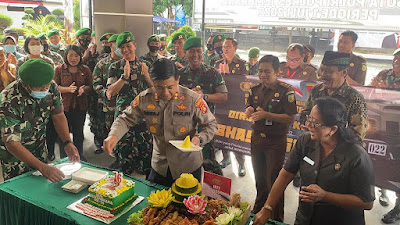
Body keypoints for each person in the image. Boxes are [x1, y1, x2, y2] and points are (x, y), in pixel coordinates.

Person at [253, 97, 375, 225]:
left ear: (332, 129)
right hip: (305, 218)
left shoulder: (357, 156)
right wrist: (268, 208)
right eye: (309, 119)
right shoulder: (305, 142)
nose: (308, 126)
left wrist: (325, 196)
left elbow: (367, 202)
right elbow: (285, 175)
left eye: (315, 123)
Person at [103, 58, 217, 187]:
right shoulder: (145, 98)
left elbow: (211, 124)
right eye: (159, 87)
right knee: (156, 203)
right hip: (160, 165)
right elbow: (125, 119)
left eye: (170, 87)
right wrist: (113, 135)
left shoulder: (192, 100)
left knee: (186, 205)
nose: (165, 93)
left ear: (177, 80)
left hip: (188, 166)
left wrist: (199, 138)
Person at [0, 59, 80, 182]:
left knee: (42, 184)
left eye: (46, 87)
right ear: (25, 85)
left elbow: (58, 115)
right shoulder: (9, 100)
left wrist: (67, 142)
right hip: (15, 158)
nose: (44, 90)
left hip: (39, 147)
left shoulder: (51, 86)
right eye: (40, 88)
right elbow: (12, 143)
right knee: (21, 190)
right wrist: (43, 168)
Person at [246, 55, 297, 220]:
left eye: (267, 71)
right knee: (260, 180)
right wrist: (248, 109)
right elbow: (250, 105)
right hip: (257, 140)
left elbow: (290, 118)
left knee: (274, 182)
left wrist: (267, 114)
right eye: (260, 71)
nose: (263, 75)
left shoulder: (286, 91)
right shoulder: (254, 90)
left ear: (277, 71)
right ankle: (258, 212)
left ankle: (276, 218)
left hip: (275, 142)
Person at [178, 36, 228, 176]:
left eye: (198, 51)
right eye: (191, 51)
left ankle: (216, 196)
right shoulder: (179, 75)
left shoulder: (212, 73)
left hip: (205, 128)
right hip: (184, 128)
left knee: (210, 165)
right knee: (186, 165)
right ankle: (188, 195)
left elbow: (223, 96)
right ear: (185, 52)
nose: (195, 55)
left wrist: (204, 97)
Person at [106, 31, 153, 175]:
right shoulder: (115, 67)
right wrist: (124, 77)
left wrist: (146, 75)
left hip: (144, 115)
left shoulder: (147, 65)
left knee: (146, 154)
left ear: (135, 45)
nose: (126, 50)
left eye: (128, 46)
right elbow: (111, 92)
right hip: (124, 115)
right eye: (122, 47)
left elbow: (156, 90)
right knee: (124, 155)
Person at [301, 51, 368, 140]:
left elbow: (358, 134)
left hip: (340, 150)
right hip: (314, 145)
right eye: (321, 70)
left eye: (329, 71)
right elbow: (304, 114)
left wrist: (328, 135)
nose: (322, 75)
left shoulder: (355, 98)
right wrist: (309, 125)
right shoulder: (316, 91)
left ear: (344, 72)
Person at [369, 48, 400, 224]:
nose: (396, 62)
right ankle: (382, 190)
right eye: (395, 59)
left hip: (399, 128)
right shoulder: (383, 74)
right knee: (380, 160)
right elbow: (370, 95)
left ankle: (397, 208)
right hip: (381, 126)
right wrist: (375, 89)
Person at [216, 38, 248, 177]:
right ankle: (226, 158)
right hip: (221, 105)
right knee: (223, 133)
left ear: (235, 48)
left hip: (237, 106)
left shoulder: (242, 65)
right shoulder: (217, 64)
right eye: (224, 47)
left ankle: (241, 163)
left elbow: (246, 85)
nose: (225, 49)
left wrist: (230, 75)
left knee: (236, 134)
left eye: (228, 46)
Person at [54, 45, 93, 162]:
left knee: (78, 132)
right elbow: (54, 87)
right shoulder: (59, 69)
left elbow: (90, 85)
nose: (74, 58)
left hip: (80, 106)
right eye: (71, 55)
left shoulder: (85, 69)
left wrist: (83, 89)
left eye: (76, 55)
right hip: (63, 107)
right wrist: (67, 89)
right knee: (64, 133)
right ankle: (64, 157)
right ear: (66, 56)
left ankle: (79, 154)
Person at [92, 34, 122, 154]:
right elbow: (96, 83)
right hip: (109, 104)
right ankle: (113, 154)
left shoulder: (128, 63)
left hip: (125, 105)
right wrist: (106, 93)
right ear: (111, 45)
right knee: (111, 130)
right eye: (117, 44)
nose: (120, 48)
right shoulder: (102, 64)